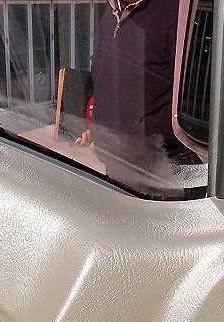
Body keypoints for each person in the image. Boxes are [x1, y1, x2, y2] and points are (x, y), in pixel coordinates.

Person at [75, 0, 195, 196]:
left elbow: (196, 97)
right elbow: (106, 78)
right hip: (116, 167)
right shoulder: (112, 11)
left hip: (157, 178)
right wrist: (94, 125)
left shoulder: (175, 12)